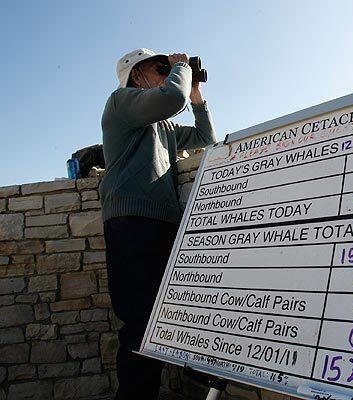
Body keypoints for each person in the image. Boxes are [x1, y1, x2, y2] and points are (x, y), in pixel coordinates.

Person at [99, 48, 216, 399]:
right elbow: (170, 98)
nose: (168, 74)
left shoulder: (162, 126)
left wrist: (196, 95)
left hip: (163, 223)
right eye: (161, 68)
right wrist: (182, 69)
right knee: (139, 322)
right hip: (131, 222)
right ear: (137, 76)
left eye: (169, 69)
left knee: (162, 320)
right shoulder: (121, 102)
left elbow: (204, 138)